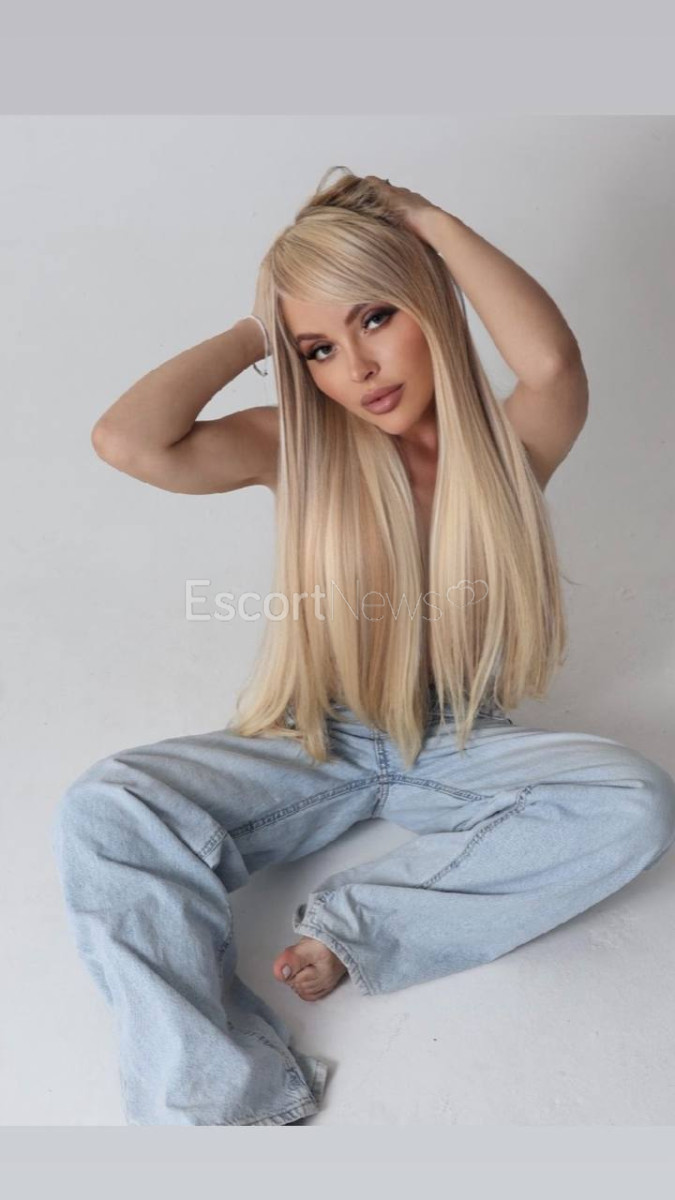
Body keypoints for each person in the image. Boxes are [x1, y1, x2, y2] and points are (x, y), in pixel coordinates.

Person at [50, 166, 675, 1125]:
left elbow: (550, 361)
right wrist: (261, 326)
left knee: (632, 801)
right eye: (319, 349)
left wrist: (427, 222)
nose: (360, 368)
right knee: (106, 808)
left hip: (459, 739)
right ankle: (220, 1100)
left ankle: (362, 926)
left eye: (376, 318)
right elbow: (128, 441)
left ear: (429, 306)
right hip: (316, 741)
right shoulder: (297, 450)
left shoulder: (509, 451)